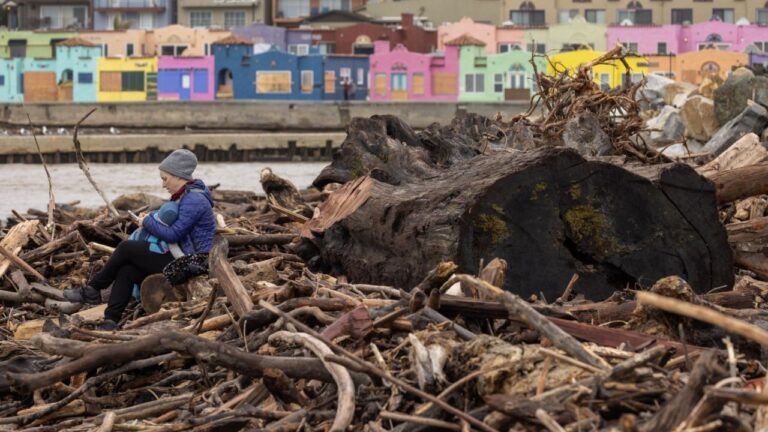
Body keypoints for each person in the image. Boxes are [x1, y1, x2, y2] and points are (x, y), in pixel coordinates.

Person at [63, 149, 216, 330]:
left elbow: (174, 234)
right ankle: (110, 320)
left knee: (126, 248)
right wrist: (151, 217)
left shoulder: (194, 199)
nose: (163, 184)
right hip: (182, 256)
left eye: (165, 179)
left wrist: (147, 222)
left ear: (178, 176)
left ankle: (92, 289)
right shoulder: (187, 195)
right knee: (127, 270)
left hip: (192, 263)